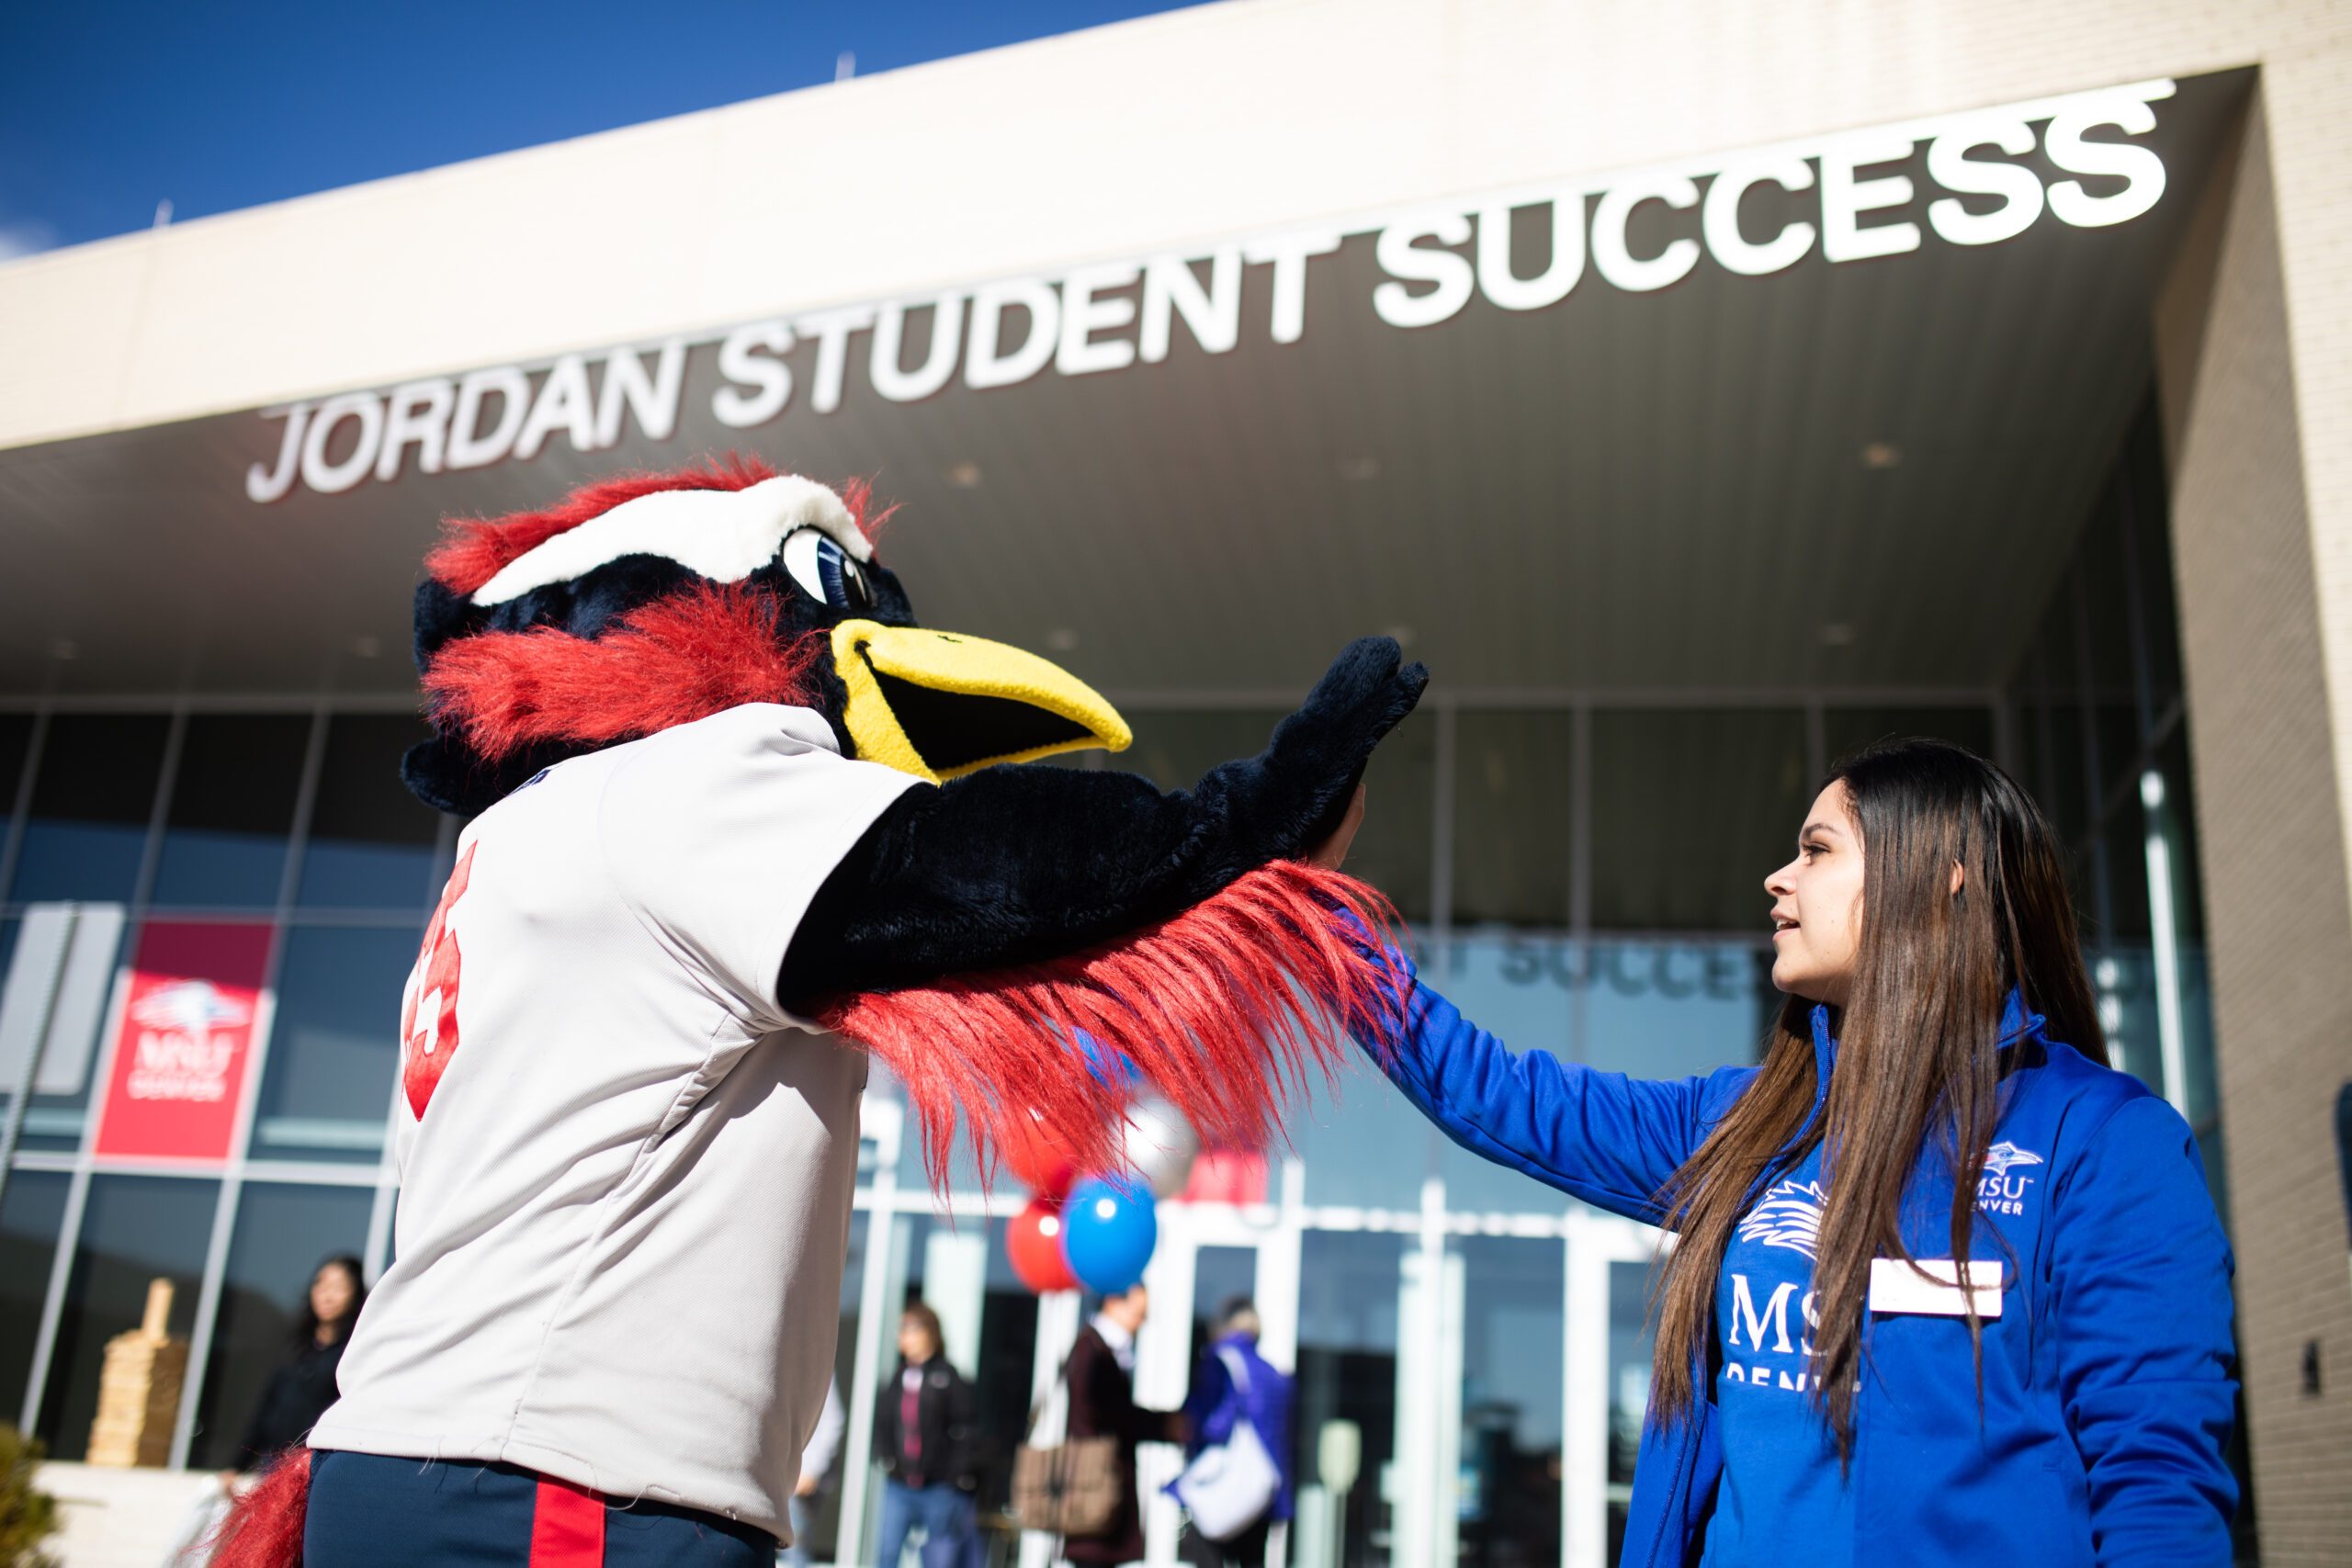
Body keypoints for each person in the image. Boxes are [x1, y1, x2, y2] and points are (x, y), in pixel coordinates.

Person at [201, 461, 1422, 1568]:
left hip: (448, 1460)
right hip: (555, 1484)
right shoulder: (673, 782)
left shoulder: (515, 841)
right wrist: (1253, 814)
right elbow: (977, 875)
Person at [1337, 739, 2238, 1565]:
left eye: (1816, 850)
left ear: (1940, 878)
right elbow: (1489, 1091)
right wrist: (1308, 908)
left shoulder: (2100, 1139)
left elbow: (2156, 1486)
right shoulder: (1745, 1125)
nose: (1777, 879)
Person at [1063, 1283, 1185, 1567]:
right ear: (1114, 1304)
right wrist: (1163, 1425)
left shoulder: (1102, 1350)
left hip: (1102, 1482)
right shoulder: (1092, 1352)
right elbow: (1105, 1413)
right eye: (1138, 1313)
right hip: (1094, 1483)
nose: (1141, 1323)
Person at [1174, 1298, 1292, 1568]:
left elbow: (1211, 1424)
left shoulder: (1218, 1364)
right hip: (1261, 1496)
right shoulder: (1275, 1376)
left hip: (1222, 1487)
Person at [872, 1304, 982, 1568]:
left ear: (929, 1333)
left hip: (939, 1488)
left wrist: (956, 1473)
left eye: (910, 1329)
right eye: (902, 1330)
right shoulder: (899, 1377)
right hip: (899, 1486)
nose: (903, 1337)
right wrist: (885, 1457)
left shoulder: (948, 1378)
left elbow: (966, 1430)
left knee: (938, 1558)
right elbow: (884, 1423)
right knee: (887, 1554)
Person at [783, 1377, 843, 1568]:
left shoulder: (813, 1359)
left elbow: (833, 1421)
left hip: (799, 1480)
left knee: (794, 1555)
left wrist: (812, 1471)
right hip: (777, 1476)